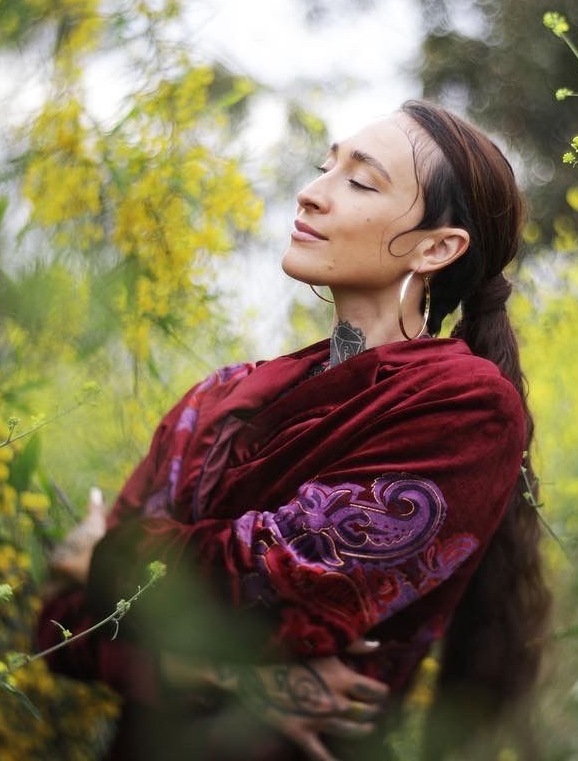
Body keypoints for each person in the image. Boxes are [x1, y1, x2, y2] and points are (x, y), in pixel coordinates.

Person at [36, 100, 549, 760]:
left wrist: (102, 558)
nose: (310, 193)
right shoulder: (223, 397)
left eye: (360, 181)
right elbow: (59, 626)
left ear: (437, 248)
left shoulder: (463, 406)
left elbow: (272, 588)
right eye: (323, 168)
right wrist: (219, 674)